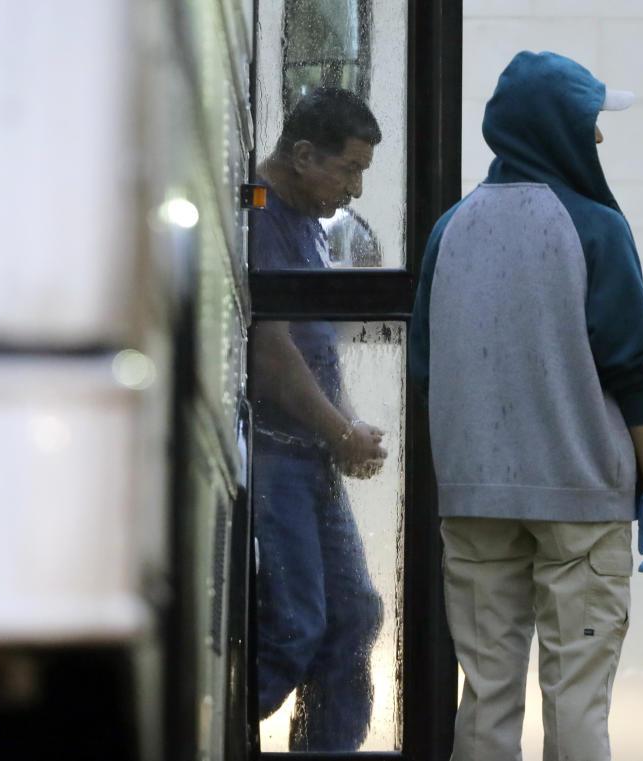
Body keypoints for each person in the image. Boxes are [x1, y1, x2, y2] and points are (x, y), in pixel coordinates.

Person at [409, 51, 643, 761]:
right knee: (577, 700)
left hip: (473, 503)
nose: (597, 138)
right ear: (556, 128)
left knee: (488, 698)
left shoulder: (449, 229)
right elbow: (637, 372)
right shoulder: (595, 227)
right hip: (582, 502)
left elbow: (425, 366)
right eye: (590, 122)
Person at [249, 87, 387, 751]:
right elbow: (273, 354)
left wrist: (347, 430)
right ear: (303, 155)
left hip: (311, 455)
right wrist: (340, 432)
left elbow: (313, 348)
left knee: (353, 613)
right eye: (349, 169)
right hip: (277, 457)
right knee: (294, 626)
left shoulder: (307, 216)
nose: (355, 189)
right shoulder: (261, 213)